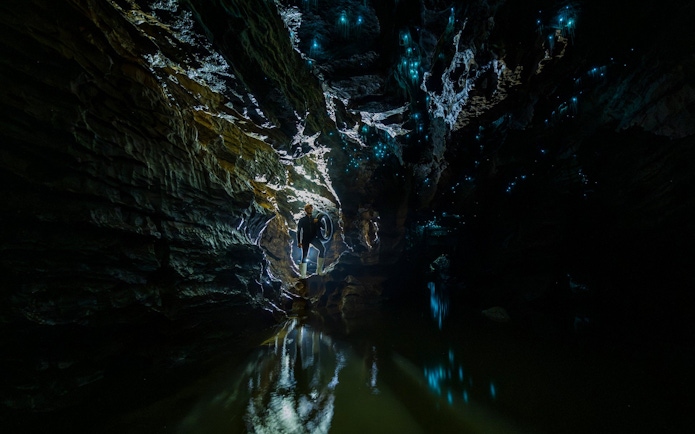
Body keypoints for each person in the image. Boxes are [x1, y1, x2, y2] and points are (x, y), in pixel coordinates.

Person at [296, 203, 326, 278]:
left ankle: (319, 271)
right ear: (306, 210)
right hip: (305, 239)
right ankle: (303, 275)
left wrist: (318, 221)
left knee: (322, 249)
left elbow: (323, 227)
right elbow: (299, 231)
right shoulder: (302, 220)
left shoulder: (314, 219)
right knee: (305, 255)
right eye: (309, 208)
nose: (310, 210)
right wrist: (299, 242)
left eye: (311, 208)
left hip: (314, 238)